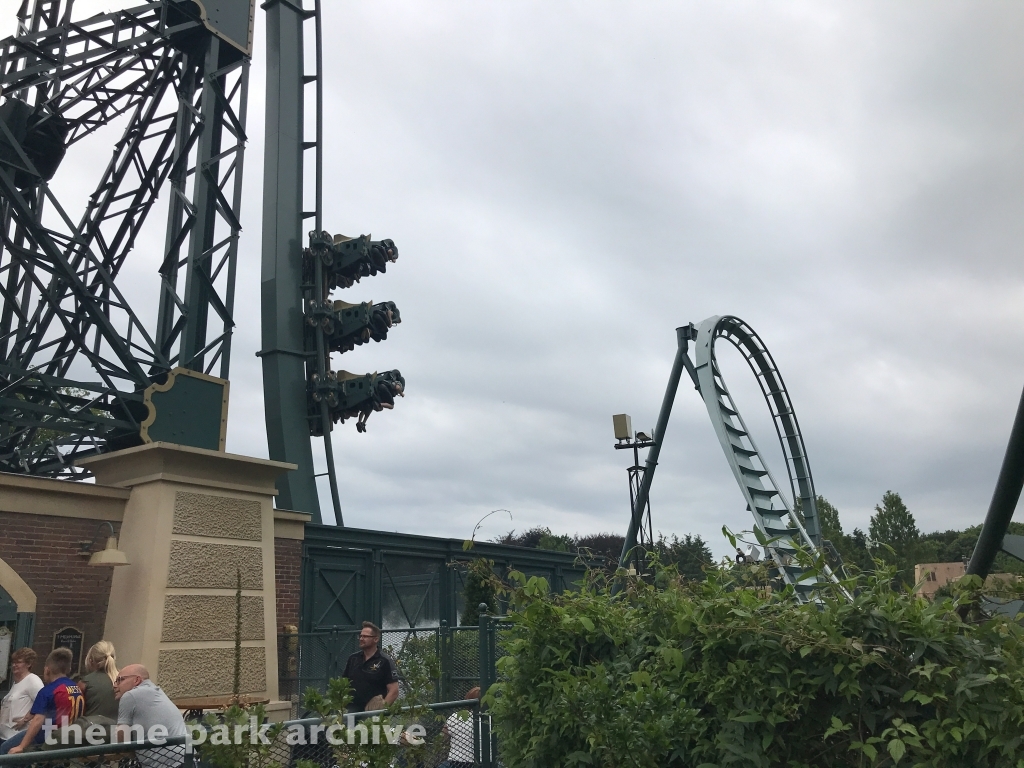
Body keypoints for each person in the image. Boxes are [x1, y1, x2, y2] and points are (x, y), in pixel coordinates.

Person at [0, 647, 84, 754]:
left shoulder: (48, 690)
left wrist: (21, 746)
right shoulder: (75, 688)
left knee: (5, 749)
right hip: (70, 737)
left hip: (48, 737)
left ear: (47, 669)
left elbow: (38, 720)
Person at [114, 664, 186, 768]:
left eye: (120, 680)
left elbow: (122, 742)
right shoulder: (156, 692)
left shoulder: (130, 696)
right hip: (186, 760)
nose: (115, 685)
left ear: (137, 680)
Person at [342, 622, 399, 711]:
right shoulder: (353, 659)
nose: (361, 639)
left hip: (371, 711)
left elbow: (394, 691)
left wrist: (381, 710)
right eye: (360, 636)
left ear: (375, 639)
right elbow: (344, 683)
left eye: (365, 636)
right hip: (351, 710)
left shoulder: (384, 661)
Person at [0, 648, 43, 740]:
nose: (14, 665)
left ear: (28, 664)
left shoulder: (33, 680)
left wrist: (25, 719)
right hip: (4, 735)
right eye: (13, 662)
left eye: (18, 662)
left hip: (16, 736)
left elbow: (42, 703)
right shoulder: (16, 683)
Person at [78, 641, 119, 719]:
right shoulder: (124, 681)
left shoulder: (85, 683)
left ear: (91, 660)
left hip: (91, 729)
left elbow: (77, 713)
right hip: (119, 729)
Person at [441, 687, 480, 768]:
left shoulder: (455, 716)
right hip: (488, 761)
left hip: (459, 762)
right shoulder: (490, 718)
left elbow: (442, 737)